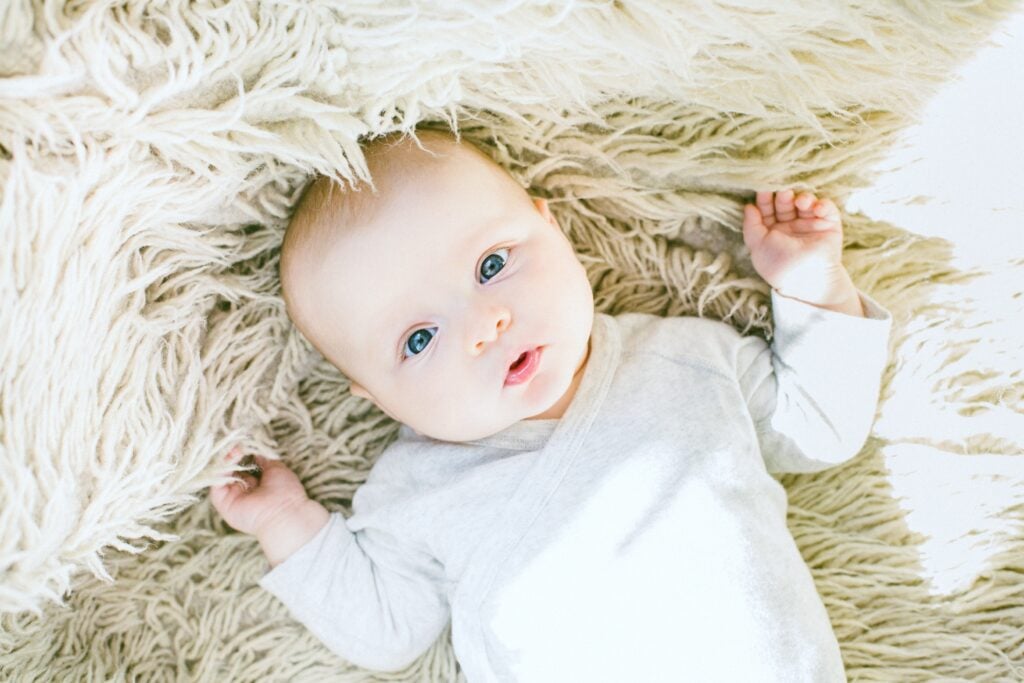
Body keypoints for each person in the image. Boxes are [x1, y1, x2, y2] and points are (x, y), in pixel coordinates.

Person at [208, 129, 892, 681]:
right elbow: (386, 627)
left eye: (492, 266)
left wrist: (812, 289)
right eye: (419, 338)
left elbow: (817, 429)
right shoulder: (417, 489)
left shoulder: (688, 360)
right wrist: (287, 521)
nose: (486, 324)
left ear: (553, 226)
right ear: (376, 396)